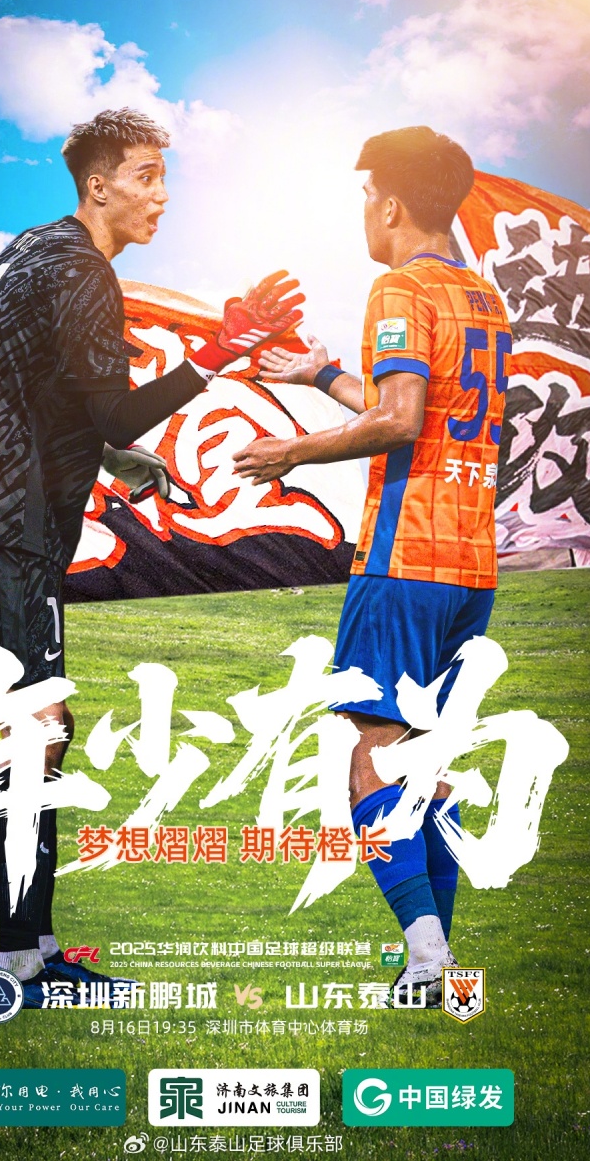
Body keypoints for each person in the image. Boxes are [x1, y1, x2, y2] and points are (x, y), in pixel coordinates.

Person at [0, 106, 304, 1008]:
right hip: (1, 525)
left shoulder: (28, 249)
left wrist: (114, 458)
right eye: (144, 177)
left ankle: (35, 948)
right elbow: (115, 409)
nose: (161, 196)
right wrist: (219, 352)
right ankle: (26, 964)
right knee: (36, 730)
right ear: (98, 185)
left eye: (165, 177)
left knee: (39, 729)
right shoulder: (84, 272)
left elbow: (34, 390)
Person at [234, 125, 511, 1006]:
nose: (362, 211)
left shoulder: (400, 286)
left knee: (375, 760)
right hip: (470, 567)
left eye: (364, 195)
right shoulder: (484, 297)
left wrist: (290, 451)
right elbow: (419, 409)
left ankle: (426, 956)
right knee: (427, 760)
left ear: (389, 204)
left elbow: (397, 421)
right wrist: (321, 374)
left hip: (402, 562)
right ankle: (436, 968)